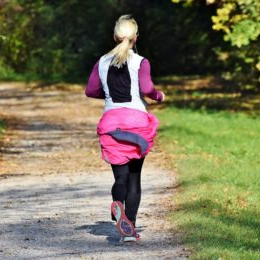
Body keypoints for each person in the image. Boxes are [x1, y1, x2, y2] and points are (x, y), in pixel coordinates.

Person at [85, 15, 165, 242]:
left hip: (112, 123)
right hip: (137, 123)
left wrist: (108, 94)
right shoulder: (141, 62)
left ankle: (117, 204)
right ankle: (130, 227)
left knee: (120, 178)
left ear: (114, 36)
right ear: (136, 37)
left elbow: (90, 91)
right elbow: (148, 87)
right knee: (134, 178)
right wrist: (158, 96)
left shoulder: (101, 61)